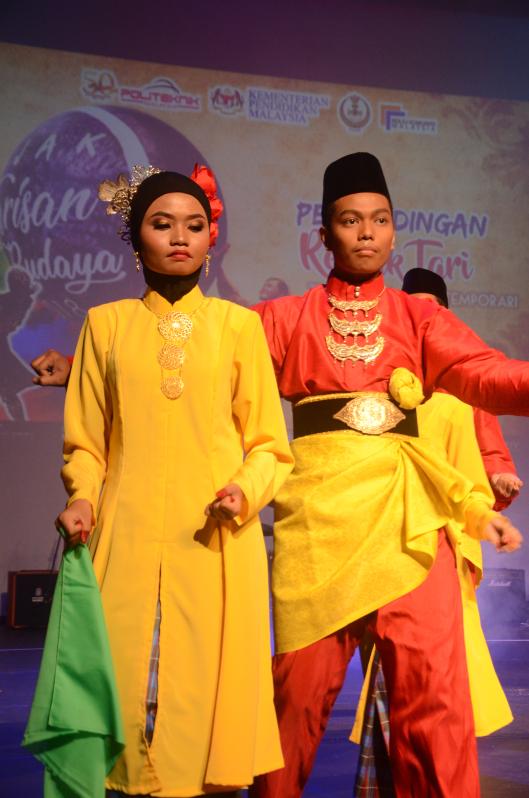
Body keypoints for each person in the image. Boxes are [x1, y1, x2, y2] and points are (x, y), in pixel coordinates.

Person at [248, 152, 526, 798]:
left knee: (435, 701)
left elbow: (485, 373)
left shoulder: (417, 317)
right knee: (293, 702)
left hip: (409, 524)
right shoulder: (285, 318)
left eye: (379, 220)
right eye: (350, 221)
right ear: (324, 234)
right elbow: (210, 359)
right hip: (319, 528)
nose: (366, 232)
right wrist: (86, 362)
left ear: (395, 230)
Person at [55, 163, 293, 797]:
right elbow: (87, 442)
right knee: (120, 677)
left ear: (212, 239)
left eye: (195, 225)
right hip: (123, 529)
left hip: (215, 536)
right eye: (162, 224)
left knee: (205, 687)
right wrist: (82, 498)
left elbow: (269, 445)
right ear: (137, 238)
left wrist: (244, 490)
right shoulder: (105, 324)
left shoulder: (239, 326)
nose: (180, 236)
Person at [401, 267, 523, 511]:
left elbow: (487, 442)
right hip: (399, 496)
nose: (421, 316)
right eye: (412, 308)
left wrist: (497, 474)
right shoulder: (387, 365)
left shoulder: (464, 374)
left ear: (443, 316)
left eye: (429, 306)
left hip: (452, 501)